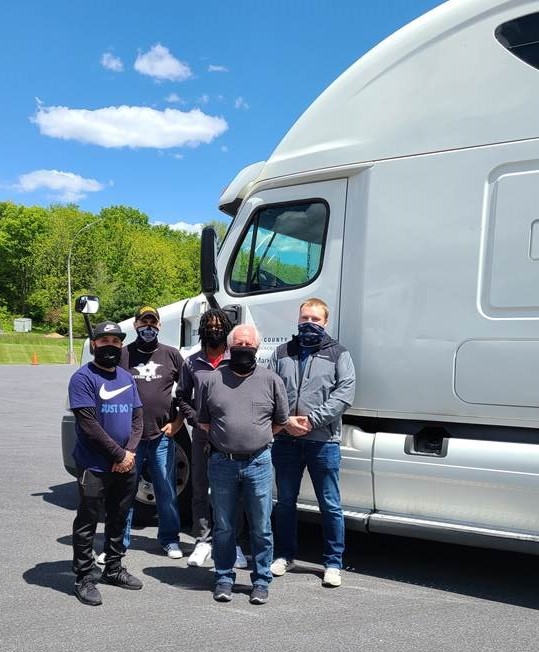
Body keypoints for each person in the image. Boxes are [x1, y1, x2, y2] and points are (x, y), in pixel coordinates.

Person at [197, 324, 289, 605]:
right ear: (229, 346)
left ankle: (261, 581)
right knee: (224, 525)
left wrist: (255, 440)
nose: (244, 348)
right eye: (238, 343)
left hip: (258, 462)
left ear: (257, 348)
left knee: (261, 525)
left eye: (249, 344)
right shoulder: (211, 380)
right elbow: (204, 421)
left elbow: (280, 421)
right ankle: (223, 577)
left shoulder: (272, 380)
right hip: (222, 462)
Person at [269, 298, 356, 588]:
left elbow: (345, 394)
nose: (309, 323)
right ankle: (284, 555)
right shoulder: (283, 352)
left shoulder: (338, 353)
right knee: (284, 503)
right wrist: (286, 421)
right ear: (297, 319)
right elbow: (270, 389)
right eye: (305, 318)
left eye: (315, 319)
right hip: (285, 440)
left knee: (330, 504)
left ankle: (333, 563)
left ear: (325, 322)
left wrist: (311, 420)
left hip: (323, 441)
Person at [69, 321, 144, 606]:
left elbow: (138, 419)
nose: (110, 346)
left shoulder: (126, 377)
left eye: (116, 341)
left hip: (125, 463)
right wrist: (118, 455)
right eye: (104, 341)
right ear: (94, 345)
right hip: (95, 465)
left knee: (119, 518)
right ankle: (85, 576)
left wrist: (130, 453)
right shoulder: (82, 378)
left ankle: (113, 568)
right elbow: (88, 425)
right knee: (87, 522)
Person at [176, 308, 248, 569]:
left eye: (220, 325)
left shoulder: (237, 359)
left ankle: (233, 543)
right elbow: (182, 396)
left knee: (233, 492)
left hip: (230, 437)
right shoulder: (191, 362)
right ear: (202, 330)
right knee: (199, 488)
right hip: (202, 436)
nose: (215, 329)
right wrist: (195, 419)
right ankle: (202, 540)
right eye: (210, 325)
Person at [113, 305, 184, 560]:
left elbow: (187, 392)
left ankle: (169, 539)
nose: (148, 328)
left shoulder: (171, 355)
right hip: (130, 437)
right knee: (126, 492)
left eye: (153, 323)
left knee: (166, 489)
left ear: (160, 326)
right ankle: (119, 543)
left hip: (161, 436)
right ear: (135, 326)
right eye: (144, 323)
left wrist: (178, 422)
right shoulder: (123, 355)